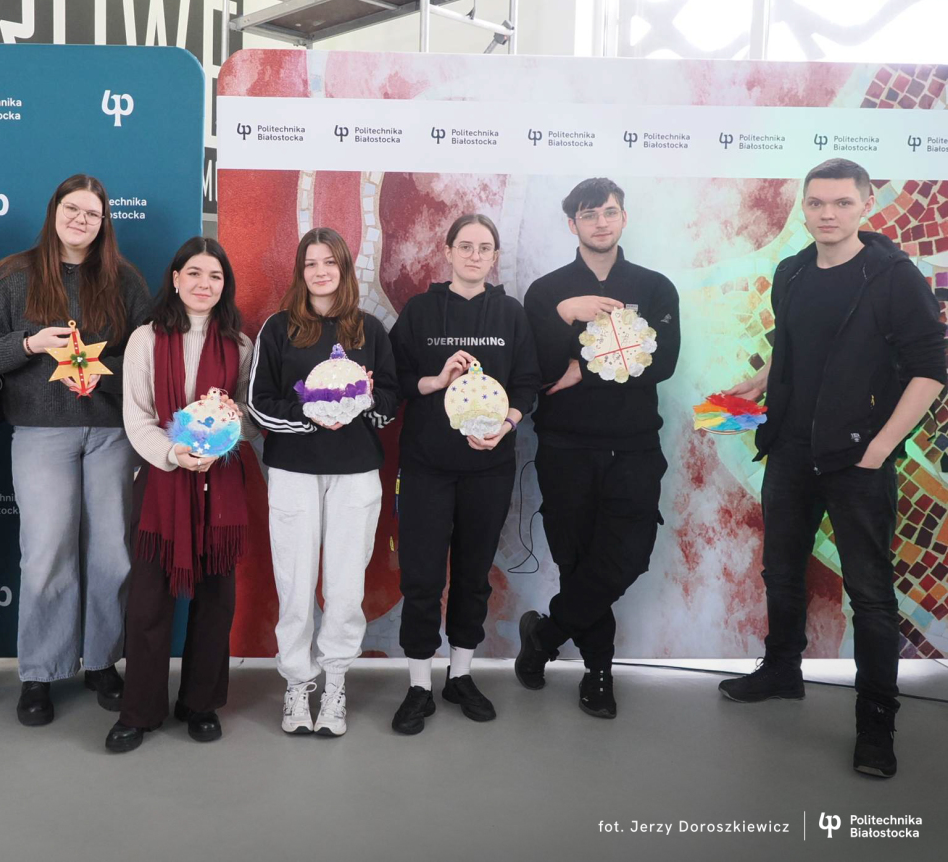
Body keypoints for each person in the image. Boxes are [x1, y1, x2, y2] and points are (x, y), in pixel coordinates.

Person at [718, 158, 945, 779]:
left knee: (869, 595)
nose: (827, 214)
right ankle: (781, 671)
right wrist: (759, 382)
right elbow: (794, 345)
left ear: (866, 205)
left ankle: (876, 724)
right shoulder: (791, 271)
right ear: (804, 206)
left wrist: (881, 448)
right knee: (781, 571)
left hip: (857, 458)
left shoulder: (894, 277)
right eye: (816, 202)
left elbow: (930, 369)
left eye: (842, 203)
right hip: (791, 451)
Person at [0, 174, 150, 727]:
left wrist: (100, 372)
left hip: (112, 433)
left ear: (103, 222)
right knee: (47, 552)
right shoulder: (13, 275)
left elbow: (146, 359)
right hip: (41, 432)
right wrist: (29, 343)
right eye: (72, 209)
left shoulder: (125, 280)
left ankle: (101, 661)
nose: (80, 220)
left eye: (92, 213)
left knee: (112, 552)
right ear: (54, 211)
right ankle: (41, 671)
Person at [518, 178, 680, 719]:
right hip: (564, 445)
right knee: (577, 558)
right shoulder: (547, 292)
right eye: (589, 215)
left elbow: (661, 363)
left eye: (609, 212)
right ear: (573, 225)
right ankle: (599, 672)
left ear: (624, 217)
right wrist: (566, 313)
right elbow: (536, 370)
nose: (601, 223)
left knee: (626, 556)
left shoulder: (655, 287)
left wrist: (581, 369)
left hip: (634, 445)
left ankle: (546, 635)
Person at [388, 213, 540, 735]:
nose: (475, 255)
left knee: (473, 576)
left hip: (489, 469)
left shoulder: (511, 314)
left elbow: (527, 384)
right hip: (426, 468)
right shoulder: (420, 310)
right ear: (448, 251)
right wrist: (435, 381)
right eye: (466, 246)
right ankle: (418, 686)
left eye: (485, 247)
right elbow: (395, 378)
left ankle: (460, 676)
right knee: (422, 577)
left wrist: (507, 425)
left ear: (495, 256)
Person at [104, 237, 258, 752]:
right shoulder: (145, 340)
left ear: (224, 285)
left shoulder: (240, 344)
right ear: (175, 279)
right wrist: (174, 454)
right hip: (162, 481)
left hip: (221, 482)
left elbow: (248, 416)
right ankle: (140, 710)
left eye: (214, 276)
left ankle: (200, 704)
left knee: (216, 600)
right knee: (149, 601)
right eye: (193, 273)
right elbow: (137, 417)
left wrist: (224, 435)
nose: (203, 284)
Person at [247, 226, 398, 737]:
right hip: (294, 472)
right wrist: (310, 414)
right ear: (300, 271)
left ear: (344, 269)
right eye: (311, 263)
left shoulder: (370, 330)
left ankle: (335, 683)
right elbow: (259, 404)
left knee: (345, 584)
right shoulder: (278, 328)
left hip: (356, 474)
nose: (320, 271)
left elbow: (390, 404)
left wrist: (364, 400)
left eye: (329, 262)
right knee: (294, 582)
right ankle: (297, 682)